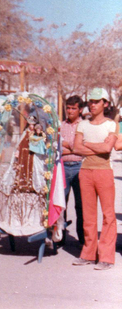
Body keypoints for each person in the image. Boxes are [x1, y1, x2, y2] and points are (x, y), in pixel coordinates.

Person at [73, 88, 117, 270]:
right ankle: (89, 254)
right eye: (90, 101)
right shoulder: (82, 125)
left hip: (104, 171)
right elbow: (76, 148)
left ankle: (106, 257)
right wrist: (97, 146)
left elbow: (107, 149)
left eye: (97, 101)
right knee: (88, 215)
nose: (92, 104)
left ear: (105, 104)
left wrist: (87, 144)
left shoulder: (111, 125)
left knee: (108, 215)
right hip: (86, 171)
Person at [60, 95, 84, 246]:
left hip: (79, 167)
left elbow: (84, 150)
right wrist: (73, 147)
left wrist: (68, 147)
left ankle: (82, 239)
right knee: (61, 203)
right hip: (62, 168)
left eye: (73, 108)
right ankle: (60, 236)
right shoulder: (60, 126)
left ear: (80, 109)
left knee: (81, 205)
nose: (70, 111)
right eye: (68, 108)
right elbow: (58, 150)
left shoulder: (84, 126)